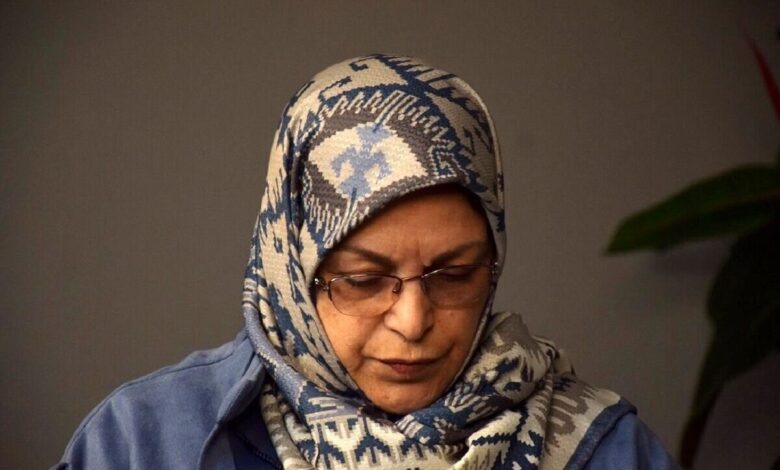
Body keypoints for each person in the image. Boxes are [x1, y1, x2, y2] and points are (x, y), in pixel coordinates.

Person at [54, 53, 678, 469]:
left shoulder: (606, 448)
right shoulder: (144, 442)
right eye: (362, 280)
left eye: (455, 275)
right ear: (291, 275)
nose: (413, 321)